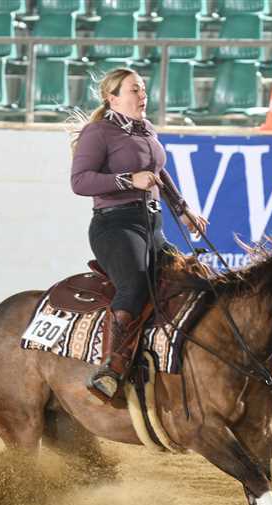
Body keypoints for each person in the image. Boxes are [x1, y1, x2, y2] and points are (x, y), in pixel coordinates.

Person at [70, 68, 209, 403]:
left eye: (143, 89)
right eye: (134, 90)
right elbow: (80, 181)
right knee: (133, 285)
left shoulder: (145, 129)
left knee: (193, 281)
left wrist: (183, 210)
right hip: (115, 226)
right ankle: (112, 369)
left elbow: (158, 173)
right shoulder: (98, 132)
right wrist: (128, 180)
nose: (142, 95)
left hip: (151, 226)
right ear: (112, 98)